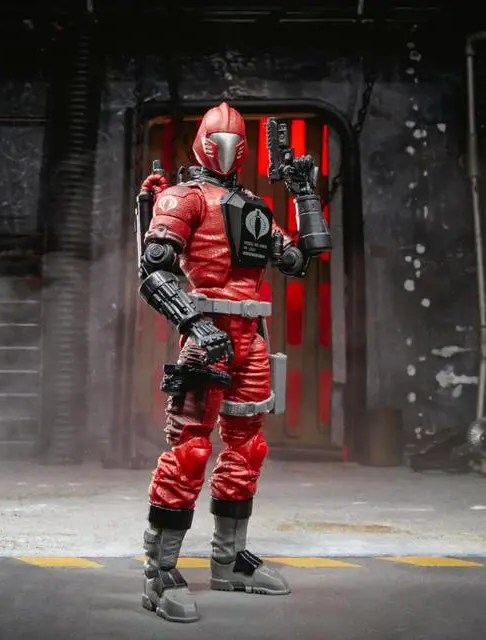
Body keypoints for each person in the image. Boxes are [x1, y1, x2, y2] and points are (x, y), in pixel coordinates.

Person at [137, 102, 329, 623]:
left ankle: (229, 561)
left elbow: (300, 259)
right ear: (202, 142)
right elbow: (154, 272)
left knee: (248, 447)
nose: (225, 150)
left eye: (234, 142)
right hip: (208, 335)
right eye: (217, 140)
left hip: (250, 338)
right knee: (191, 450)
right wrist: (193, 323)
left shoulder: (253, 207)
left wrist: (305, 193)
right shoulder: (183, 198)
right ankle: (160, 572)